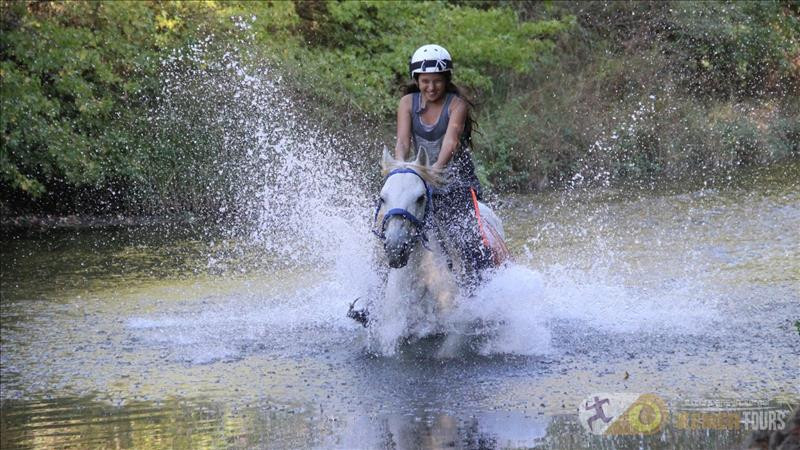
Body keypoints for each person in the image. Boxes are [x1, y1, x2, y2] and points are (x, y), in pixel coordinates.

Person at [394, 44, 493, 292]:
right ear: (416, 80)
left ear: (446, 80)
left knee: (468, 242)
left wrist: (435, 170)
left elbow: (451, 141)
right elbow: (403, 141)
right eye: (425, 81)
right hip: (421, 177)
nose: (431, 87)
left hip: (456, 182)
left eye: (437, 81)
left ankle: (483, 293)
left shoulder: (457, 105)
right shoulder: (407, 102)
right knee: (391, 229)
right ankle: (373, 301)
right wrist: (400, 169)